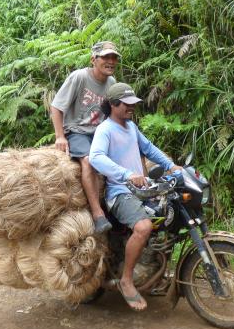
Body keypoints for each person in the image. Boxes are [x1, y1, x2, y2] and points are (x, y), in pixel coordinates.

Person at [89, 83, 182, 311]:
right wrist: (127, 174)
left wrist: (172, 166)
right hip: (119, 192)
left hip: (141, 190)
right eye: (127, 104)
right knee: (143, 227)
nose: (132, 108)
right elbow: (96, 157)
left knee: (169, 215)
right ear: (113, 104)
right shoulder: (106, 129)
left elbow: (149, 149)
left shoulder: (131, 127)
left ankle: (152, 265)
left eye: (133, 104)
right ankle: (127, 280)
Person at [50, 41, 119, 233]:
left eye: (114, 57)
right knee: (90, 161)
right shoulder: (79, 77)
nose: (111, 61)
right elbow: (56, 107)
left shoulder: (112, 84)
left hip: (99, 132)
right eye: (106, 57)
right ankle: (98, 214)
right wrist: (60, 136)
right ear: (94, 59)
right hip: (77, 131)